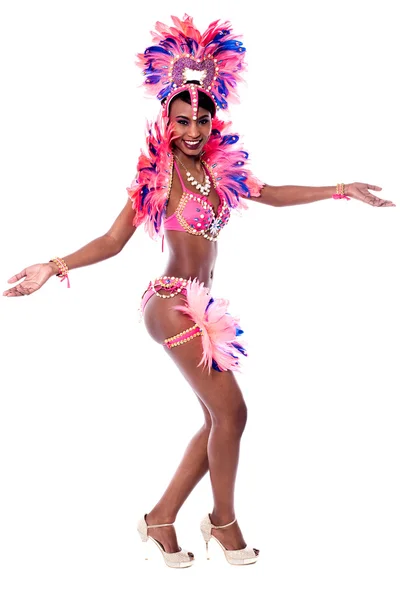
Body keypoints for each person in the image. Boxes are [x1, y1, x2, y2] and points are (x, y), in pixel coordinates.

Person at [3, 15, 395, 569]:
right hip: (169, 302)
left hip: (202, 305)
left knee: (218, 419)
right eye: (182, 120)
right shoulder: (160, 178)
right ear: (166, 119)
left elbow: (274, 193)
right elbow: (115, 241)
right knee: (234, 414)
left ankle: (161, 519)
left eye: (201, 121)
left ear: (213, 122)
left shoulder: (219, 172)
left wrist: (340, 190)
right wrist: (53, 265)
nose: (191, 130)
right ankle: (223, 524)